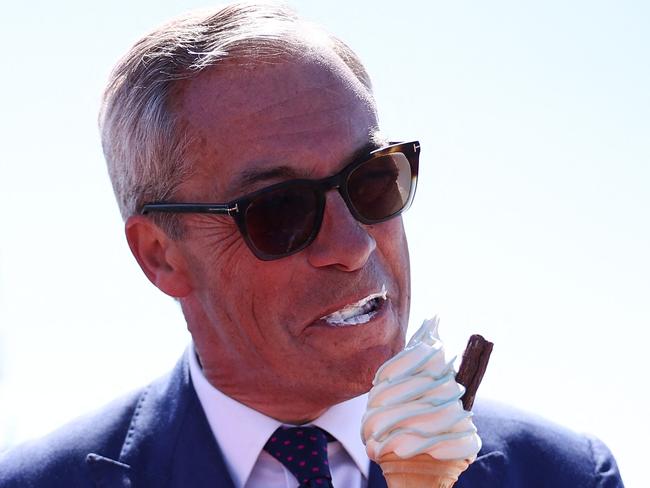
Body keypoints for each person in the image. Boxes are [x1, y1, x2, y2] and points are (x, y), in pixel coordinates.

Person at [0, 3, 624, 487]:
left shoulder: (563, 473)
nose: (351, 246)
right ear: (161, 255)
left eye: (372, 181)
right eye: (281, 210)